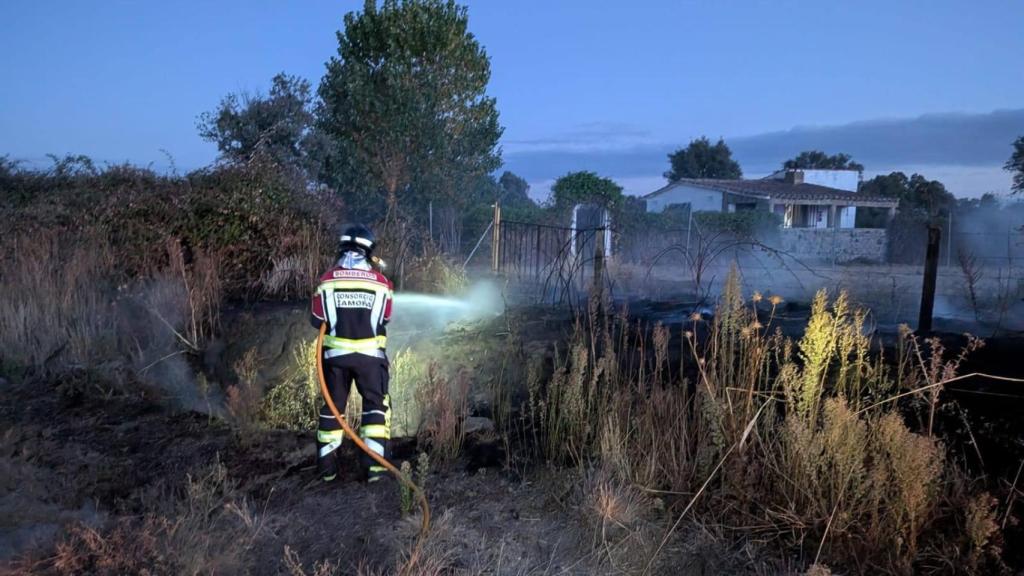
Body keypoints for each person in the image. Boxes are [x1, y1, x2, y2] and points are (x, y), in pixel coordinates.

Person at [309, 224, 393, 483]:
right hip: (370, 359)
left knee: (333, 409)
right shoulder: (382, 283)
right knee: (376, 409)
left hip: (335, 360)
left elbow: (316, 319)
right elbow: (385, 318)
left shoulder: (326, 281)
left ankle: (327, 471)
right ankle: (376, 468)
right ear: (369, 251)